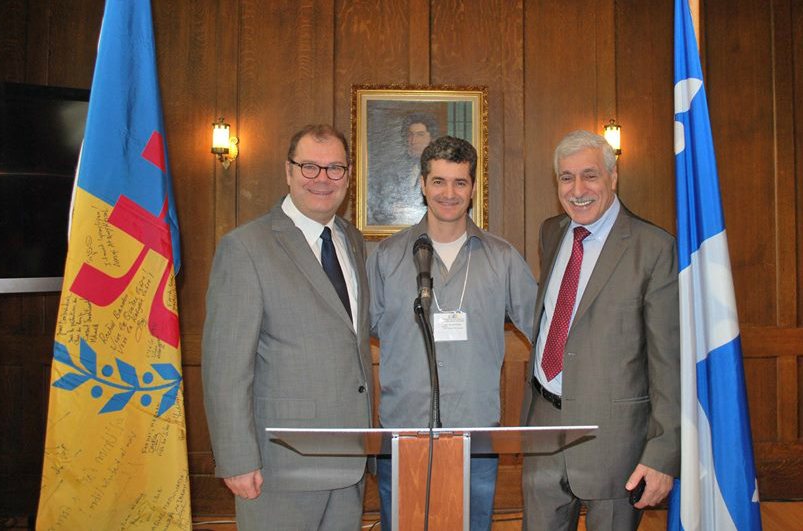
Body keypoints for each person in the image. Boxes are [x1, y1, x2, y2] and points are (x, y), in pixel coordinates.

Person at [202, 124, 373, 530]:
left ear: (348, 176)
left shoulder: (352, 239)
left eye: (335, 168)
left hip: (349, 462)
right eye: (309, 167)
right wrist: (236, 459)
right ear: (288, 172)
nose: (322, 179)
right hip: (280, 466)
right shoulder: (246, 247)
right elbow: (226, 367)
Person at [368, 135, 537, 530]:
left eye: (460, 182)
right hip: (402, 433)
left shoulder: (503, 258)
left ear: (473, 189)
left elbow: (542, 330)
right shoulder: (387, 257)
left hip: (474, 434)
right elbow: (369, 327)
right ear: (423, 185)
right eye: (439, 181)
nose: (449, 193)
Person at [521, 130, 680, 530]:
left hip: (615, 442)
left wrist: (662, 455)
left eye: (589, 176)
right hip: (543, 426)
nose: (577, 190)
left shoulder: (653, 248)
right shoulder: (552, 232)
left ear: (613, 177)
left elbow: (669, 364)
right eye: (566, 177)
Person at [367, 112, 439, 226]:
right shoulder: (390, 169)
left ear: (431, 138)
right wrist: (392, 213)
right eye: (410, 135)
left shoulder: (440, 170)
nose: (413, 140)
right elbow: (377, 208)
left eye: (420, 135)